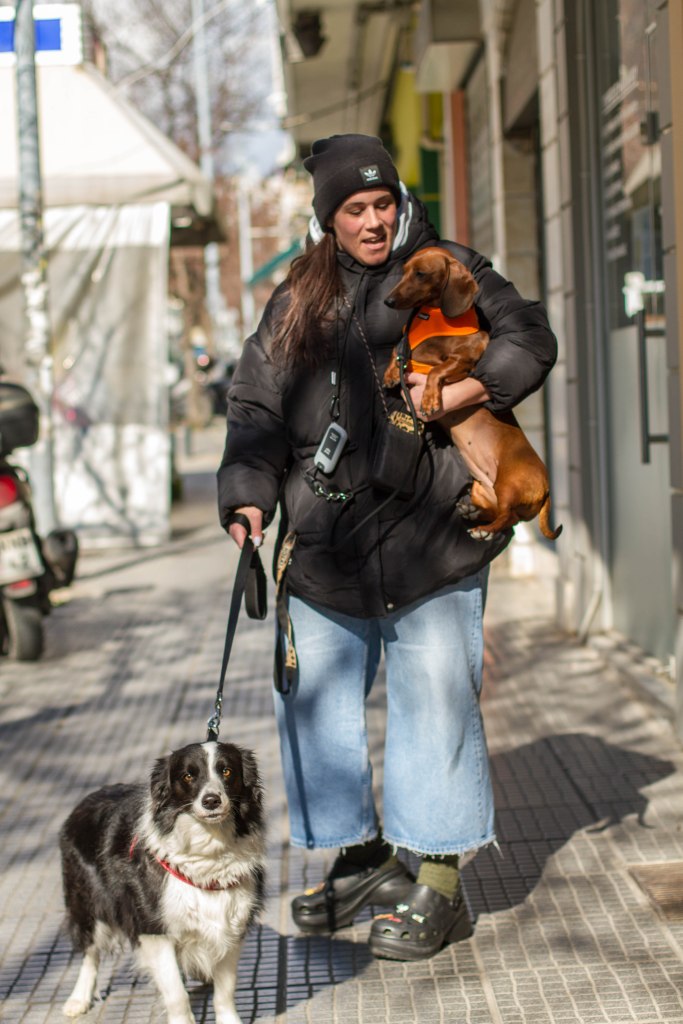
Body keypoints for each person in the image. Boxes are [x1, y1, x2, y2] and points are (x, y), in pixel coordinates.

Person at [217, 134, 557, 961]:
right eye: (353, 209)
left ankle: (438, 882)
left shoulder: (449, 268)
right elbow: (256, 407)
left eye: (381, 204)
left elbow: (529, 336)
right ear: (327, 218)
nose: (372, 222)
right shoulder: (297, 296)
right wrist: (247, 496)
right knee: (314, 709)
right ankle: (365, 861)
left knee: (434, 707)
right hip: (324, 540)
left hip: (433, 534)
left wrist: (470, 388)